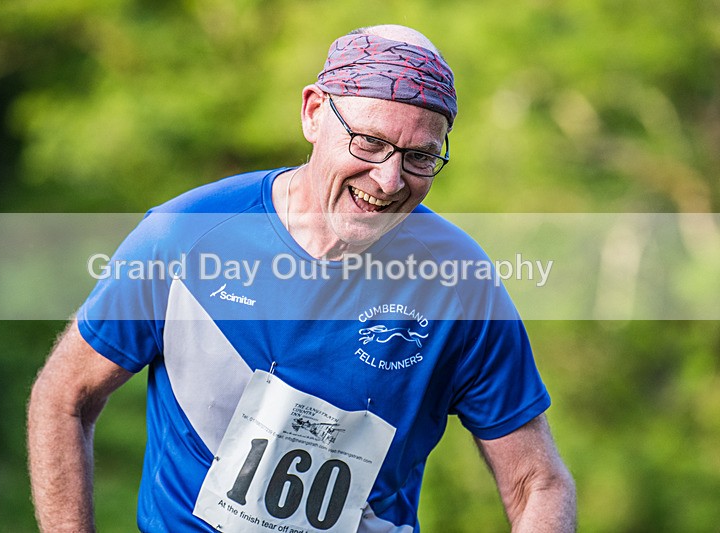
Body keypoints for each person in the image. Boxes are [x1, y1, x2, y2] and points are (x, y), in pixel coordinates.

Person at [28, 24, 576, 532]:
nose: (388, 180)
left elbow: (538, 483)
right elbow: (64, 396)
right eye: (369, 142)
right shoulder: (185, 235)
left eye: (419, 157)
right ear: (314, 113)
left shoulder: (461, 285)